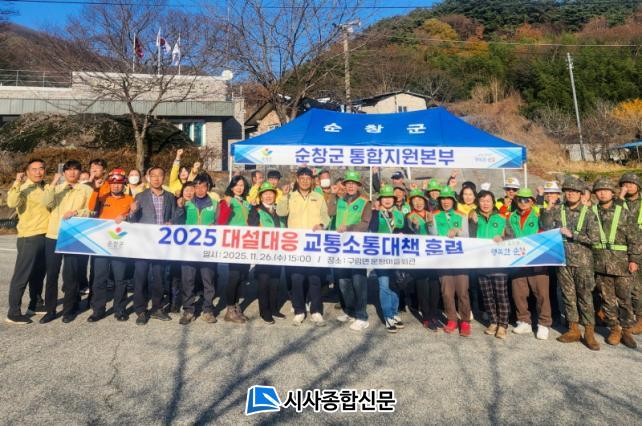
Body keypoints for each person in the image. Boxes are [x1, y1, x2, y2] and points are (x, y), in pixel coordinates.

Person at [540, 176, 599, 350]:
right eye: (567, 191)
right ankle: (573, 329)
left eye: (574, 191)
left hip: (583, 263)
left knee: (585, 297)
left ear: (581, 194)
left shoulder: (589, 213)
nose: (571, 194)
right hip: (562, 260)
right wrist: (548, 209)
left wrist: (573, 235)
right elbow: (545, 226)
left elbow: (595, 238)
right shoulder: (558, 210)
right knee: (568, 296)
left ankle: (589, 332)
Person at [586, 178, 640, 349]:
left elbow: (634, 238)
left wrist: (634, 260)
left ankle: (626, 330)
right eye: (599, 190)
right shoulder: (590, 212)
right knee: (607, 299)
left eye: (606, 190)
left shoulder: (623, 212)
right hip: (600, 263)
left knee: (625, 298)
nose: (602, 193)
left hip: (621, 263)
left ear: (612, 193)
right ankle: (615, 329)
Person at [40, 160, 93, 323]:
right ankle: (50, 310)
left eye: (75, 170)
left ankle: (69, 310)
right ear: (64, 173)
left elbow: (91, 211)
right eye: (68, 170)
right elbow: (46, 203)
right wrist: (54, 183)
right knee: (52, 274)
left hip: (73, 235)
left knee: (71, 275)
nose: (72, 173)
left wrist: (77, 212)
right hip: (53, 235)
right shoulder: (56, 189)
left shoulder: (87, 190)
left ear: (80, 172)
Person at [129, 166, 182, 325]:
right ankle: (140, 310)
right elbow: (132, 221)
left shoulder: (170, 197)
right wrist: (132, 212)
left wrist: (172, 221)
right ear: (148, 178)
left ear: (164, 177)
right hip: (144, 244)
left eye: (160, 175)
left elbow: (175, 216)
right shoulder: (140, 196)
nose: (156, 178)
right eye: (153, 175)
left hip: (160, 245)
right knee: (141, 277)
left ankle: (157, 308)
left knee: (159, 277)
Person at [277, 167, 330, 326]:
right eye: (302, 178)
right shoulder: (290, 196)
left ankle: (316, 311)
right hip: (296, 244)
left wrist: (322, 225)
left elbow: (325, 216)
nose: (305, 181)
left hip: (313, 243)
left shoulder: (318, 197)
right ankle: (299, 310)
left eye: (308, 178)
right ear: (297, 180)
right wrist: (284, 196)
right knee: (297, 278)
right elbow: (281, 212)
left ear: (312, 180)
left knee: (315, 278)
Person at [87, 168, 135, 322]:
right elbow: (90, 207)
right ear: (109, 184)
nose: (116, 186)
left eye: (119, 183)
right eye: (113, 183)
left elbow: (135, 217)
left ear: (124, 185)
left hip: (119, 243)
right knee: (99, 278)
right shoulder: (103, 197)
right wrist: (96, 189)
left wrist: (127, 215)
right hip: (101, 243)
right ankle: (98, 310)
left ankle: (119, 309)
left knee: (120, 279)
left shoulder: (130, 199)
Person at [5, 159, 49, 324]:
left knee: (38, 273)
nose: (38, 172)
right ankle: (13, 312)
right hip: (29, 237)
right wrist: (17, 182)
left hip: (45, 235)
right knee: (22, 274)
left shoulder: (45, 187)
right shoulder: (23, 188)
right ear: (27, 172)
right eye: (34, 169)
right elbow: (11, 202)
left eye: (41, 169)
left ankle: (35, 304)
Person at [505, 188, 552, 340]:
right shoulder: (511, 216)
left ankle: (544, 323)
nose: (523, 202)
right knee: (518, 292)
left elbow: (547, 227)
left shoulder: (539, 213)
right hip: (518, 259)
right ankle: (524, 321)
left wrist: (546, 209)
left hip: (537, 259)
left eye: (527, 200)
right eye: (520, 199)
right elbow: (508, 235)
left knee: (541, 293)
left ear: (532, 201)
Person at [330, 170, 372, 332]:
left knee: (358, 281)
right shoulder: (340, 199)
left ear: (358, 185)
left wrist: (348, 228)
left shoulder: (365, 202)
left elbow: (365, 223)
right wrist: (333, 195)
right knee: (343, 281)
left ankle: (362, 316)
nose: (350, 186)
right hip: (340, 246)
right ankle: (350, 311)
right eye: (348, 184)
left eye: (353, 184)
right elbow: (330, 213)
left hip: (356, 246)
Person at [177, 172, 219, 325]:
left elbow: (221, 223)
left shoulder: (215, 204)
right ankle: (188, 310)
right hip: (189, 249)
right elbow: (177, 221)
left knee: (208, 280)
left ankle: (208, 310)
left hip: (208, 249)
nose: (200, 190)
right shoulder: (186, 203)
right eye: (197, 187)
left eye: (203, 187)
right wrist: (179, 208)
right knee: (188, 280)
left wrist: (216, 225)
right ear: (193, 188)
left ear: (208, 188)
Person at [429, 186, 471, 336]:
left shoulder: (461, 215)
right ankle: (452, 319)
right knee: (447, 292)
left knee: (462, 292)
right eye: (443, 199)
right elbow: (432, 235)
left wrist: (458, 231)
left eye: (448, 199)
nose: (445, 202)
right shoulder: (434, 215)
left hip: (460, 259)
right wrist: (430, 224)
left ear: (453, 200)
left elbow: (467, 235)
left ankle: (465, 321)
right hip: (443, 259)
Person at [469, 190, 509, 339]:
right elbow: (469, 237)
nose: (485, 204)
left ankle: (503, 324)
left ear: (493, 202)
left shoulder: (502, 218)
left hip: (499, 263)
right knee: (487, 295)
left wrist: (503, 237)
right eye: (482, 201)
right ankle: (493, 321)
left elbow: (511, 236)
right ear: (478, 202)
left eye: (488, 201)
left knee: (501, 295)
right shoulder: (474, 217)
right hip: (481, 263)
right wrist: (472, 222)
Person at [247, 182, 285, 324]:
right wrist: (252, 209)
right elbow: (252, 226)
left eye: (271, 193)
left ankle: (274, 308)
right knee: (264, 282)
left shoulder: (279, 210)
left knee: (275, 282)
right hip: (262, 252)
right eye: (265, 194)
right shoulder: (256, 209)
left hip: (277, 251)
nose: (268, 196)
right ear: (261, 196)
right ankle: (265, 311)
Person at [369, 185, 405, 333]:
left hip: (396, 255)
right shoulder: (375, 214)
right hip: (381, 255)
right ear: (380, 200)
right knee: (384, 285)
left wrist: (402, 232)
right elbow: (373, 229)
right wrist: (377, 212)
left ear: (394, 199)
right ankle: (388, 316)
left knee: (395, 285)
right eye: (385, 197)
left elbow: (405, 229)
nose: (388, 200)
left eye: (390, 197)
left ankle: (395, 312)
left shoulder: (399, 214)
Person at [405, 189, 441, 331]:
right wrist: (415, 227)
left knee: (434, 285)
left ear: (425, 202)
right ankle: (426, 316)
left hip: (433, 254)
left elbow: (435, 234)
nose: (418, 203)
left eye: (420, 200)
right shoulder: (409, 216)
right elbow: (410, 236)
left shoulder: (431, 214)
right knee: (422, 286)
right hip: (419, 256)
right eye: (415, 200)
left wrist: (430, 223)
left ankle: (433, 314)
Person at [219, 175, 251, 323]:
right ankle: (230, 309)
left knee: (242, 276)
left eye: (242, 185)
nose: (239, 188)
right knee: (234, 276)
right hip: (234, 243)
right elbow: (221, 221)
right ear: (231, 187)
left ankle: (236, 306)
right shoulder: (227, 200)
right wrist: (226, 205)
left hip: (246, 243)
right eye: (236, 185)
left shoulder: (246, 202)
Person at [618, 172, 642, 335]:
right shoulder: (619, 202)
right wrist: (620, 198)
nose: (629, 186)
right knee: (626, 286)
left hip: (639, 249)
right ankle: (627, 316)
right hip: (623, 249)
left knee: (637, 287)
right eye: (625, 184)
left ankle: (640, 319)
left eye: (632, 184)